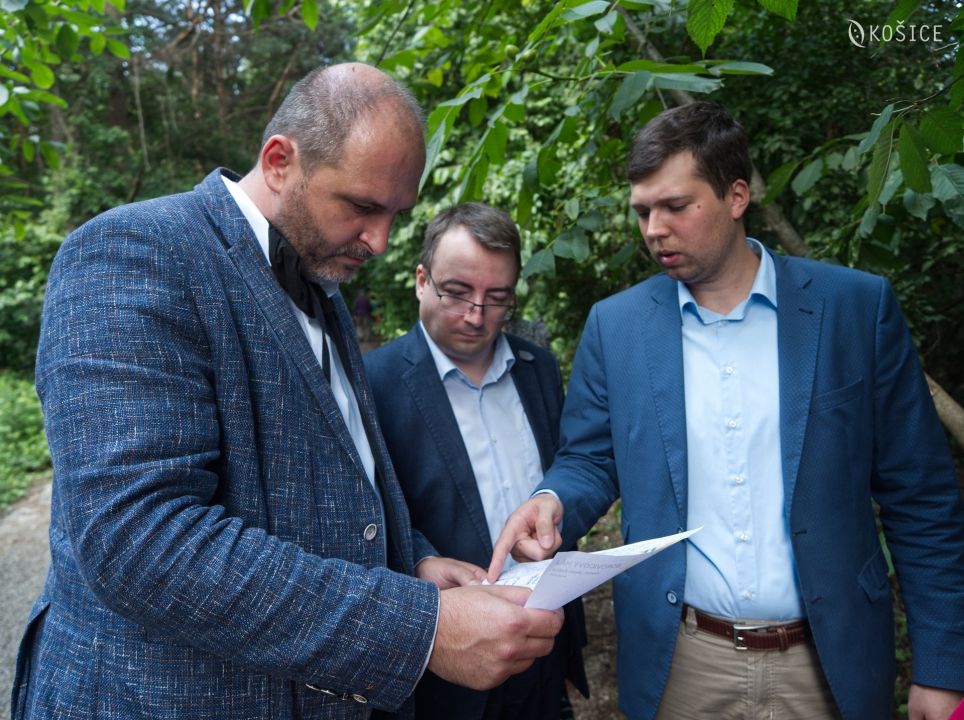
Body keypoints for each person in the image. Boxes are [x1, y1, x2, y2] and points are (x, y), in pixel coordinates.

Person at [11, 62, 564, 720]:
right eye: (362, 207)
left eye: (395, 214)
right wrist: (420, 628)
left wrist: (411, 560)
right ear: (279, 161)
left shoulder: (322, 287)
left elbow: (333, 481)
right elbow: (140, 540)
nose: (381, 241)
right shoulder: (132, 251)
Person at [488, 102, 964, 720]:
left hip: (831, 660)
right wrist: (552, 500)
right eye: (642, 211)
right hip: (683, 663)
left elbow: (921, 496)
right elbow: (591, 457)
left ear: (736, 196)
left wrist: (942, 665)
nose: (654, 229)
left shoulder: (854, 309)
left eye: (675, 206)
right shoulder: (617, 327)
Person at [364, 203, 589, 720]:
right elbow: (364, 511)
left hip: (544, 638)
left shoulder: (538, 368)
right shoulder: (372, 382)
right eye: (458, 292)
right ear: (422, 281)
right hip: (447, 667)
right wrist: (418, 560)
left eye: (497, 298)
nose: (476, 315)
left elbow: (566, 471)